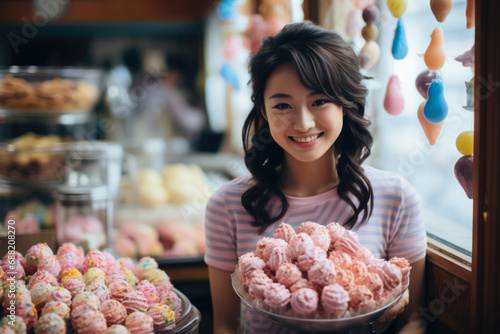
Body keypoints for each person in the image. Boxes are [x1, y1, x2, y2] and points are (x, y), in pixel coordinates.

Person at [204, 21, 426, 334]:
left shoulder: (396, 197)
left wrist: (386, 300)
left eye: (319, 101)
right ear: (264, 113)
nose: (304, 122)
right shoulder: (228, 205)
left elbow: (413, 323)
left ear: (344, 104)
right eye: (283, 105)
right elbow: (225, 326)